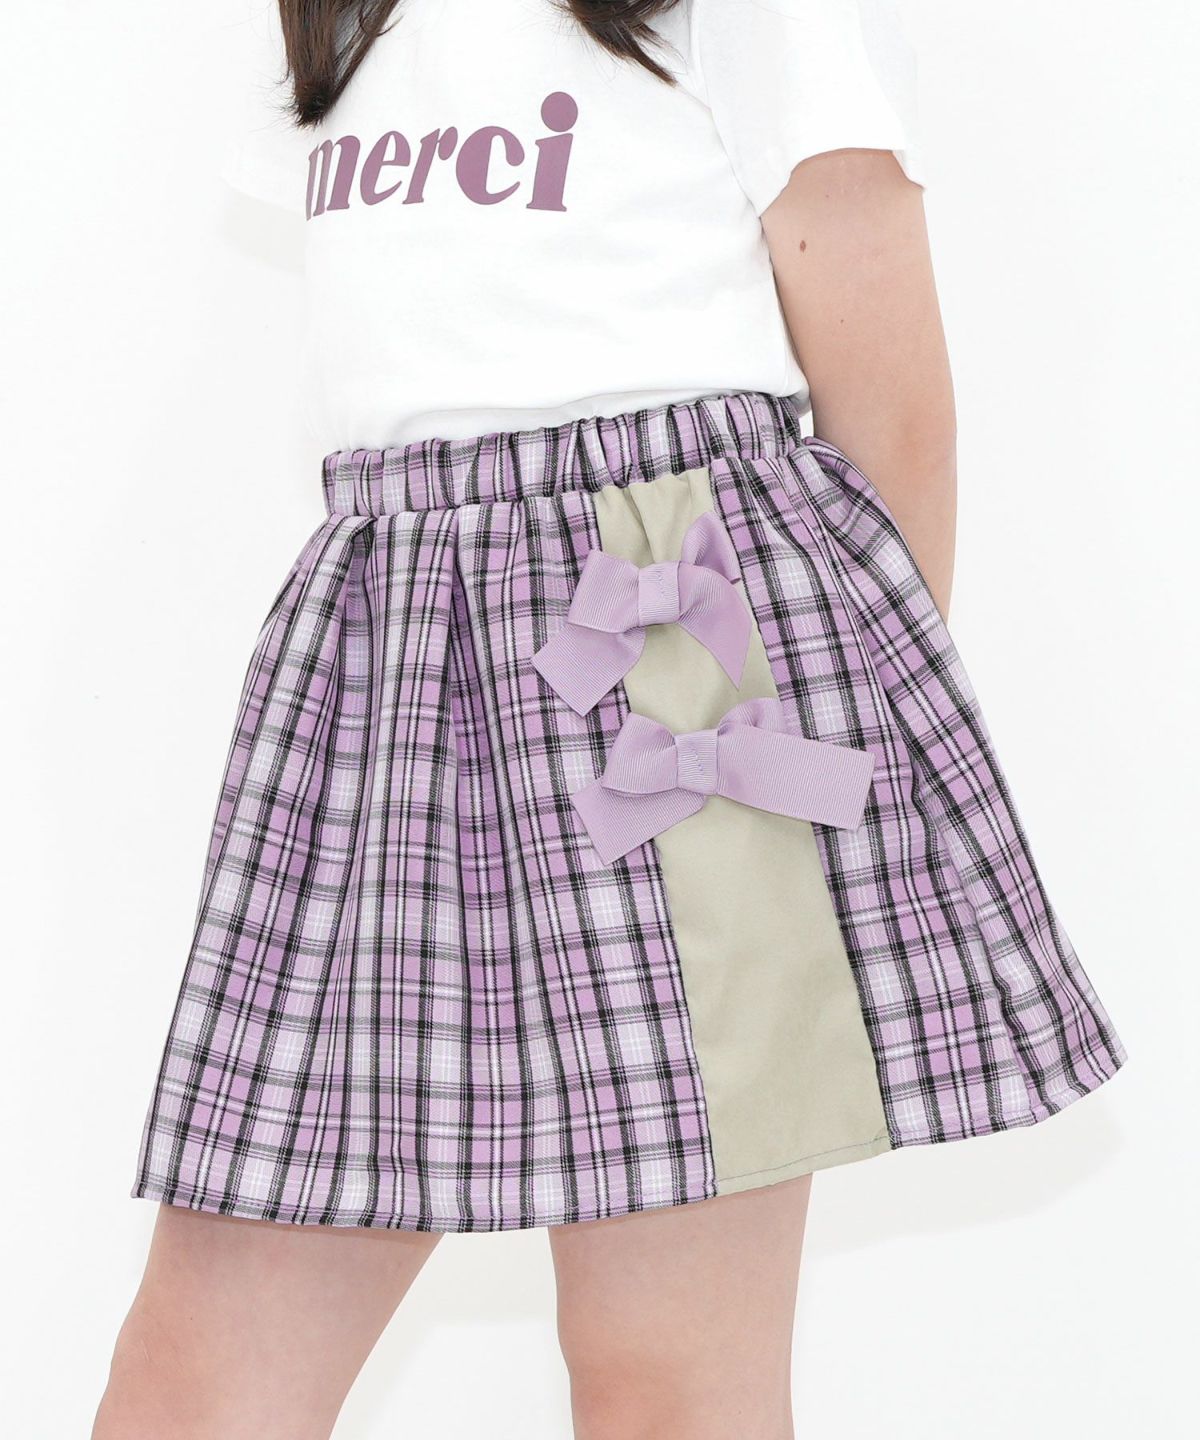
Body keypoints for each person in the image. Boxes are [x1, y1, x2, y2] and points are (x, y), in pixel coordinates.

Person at [92, 2, 1128, 1437]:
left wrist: (847, 803)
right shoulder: (354, 15)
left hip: (670, 640)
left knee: (666, 1381)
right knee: (202, 1372)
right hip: (388, 659)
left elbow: (895, 413)